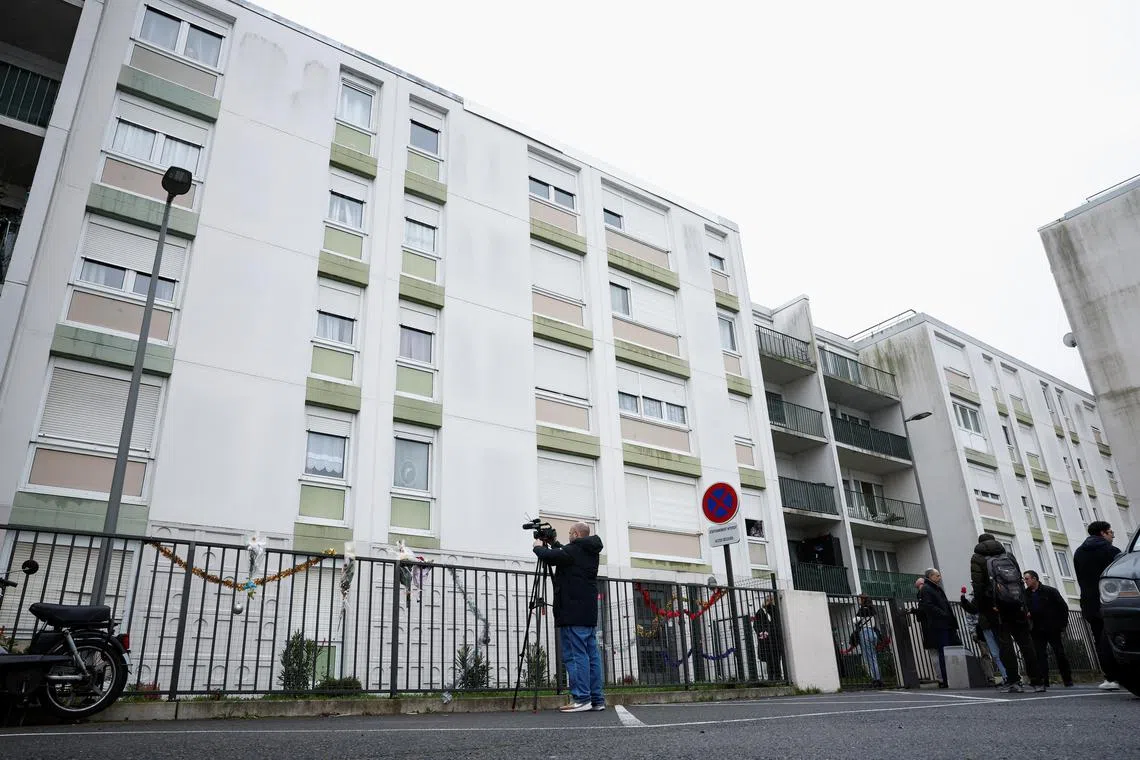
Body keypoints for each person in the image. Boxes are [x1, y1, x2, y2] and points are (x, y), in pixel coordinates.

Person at [533, 521, 605, 712]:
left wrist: (538, 548)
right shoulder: (589, 551)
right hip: (587, 613)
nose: (569, 535)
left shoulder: (575, 550)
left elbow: (553, 556)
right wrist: (554, 543)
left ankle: (581, 698)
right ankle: (596, 699)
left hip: (572, 611)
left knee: (575, 655)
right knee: (591, 656)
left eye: (570, 533)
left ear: (576, 534)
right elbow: (564, 554)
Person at [970, 533, 1041, 693]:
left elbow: (978, 586)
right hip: (1016, 605)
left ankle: (1014, 681)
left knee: (1005, 645)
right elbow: (1019, 580)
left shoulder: (978, 558)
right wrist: (1023, 603)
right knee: (1026, 643)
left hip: (996, 608)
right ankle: (1037, 681)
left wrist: (983, 608)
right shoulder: (1008, 555)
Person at [1073, 520, 1122, 691]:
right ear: (1102, 533)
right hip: (1112, 601)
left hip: (1090, 603)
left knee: (1099, 640)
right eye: (1110, 532)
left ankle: (1110, 677)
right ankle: (1126, 674)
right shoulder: (1112, 551)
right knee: (1120, 637)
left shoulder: (1079, 553)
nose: (1113, 535)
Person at [1023, 570, 1073, 689]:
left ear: (1035, 578)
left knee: (1059, 653)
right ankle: (1044, 680)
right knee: (1040, 655)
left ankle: (1067, 679)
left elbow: (1063, 607)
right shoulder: (1025, 594)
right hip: (1036, 628)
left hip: (1052, 627)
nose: (1025, 581)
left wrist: (1062, 625)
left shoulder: (1049, 591)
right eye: (1024, 579)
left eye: (1027, 578)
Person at [960, 588, 1008, 685]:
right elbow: (970, 615)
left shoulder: (991, 593)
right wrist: (973, 632)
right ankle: (992, 677)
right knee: (988, 654)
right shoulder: (972, 598)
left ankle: (1006, 675)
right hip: (981, 628)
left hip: (991, 626)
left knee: (999, 652)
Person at [918, 569, 955, 688]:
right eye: (937, 575)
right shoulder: (927, 589)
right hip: (939, 625)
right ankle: (945, 679)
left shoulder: (935, 588)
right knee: (943, 651)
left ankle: (950, 677)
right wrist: (943, 614)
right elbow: (929, 606)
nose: (940, 578)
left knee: (948, 651)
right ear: (931, 576)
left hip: (945, 624)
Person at [840, 594, 883, 688]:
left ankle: (876, 680)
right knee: (873, 657)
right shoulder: (872, 609)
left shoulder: (863, 609)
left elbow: (855, 620)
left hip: (865, 633)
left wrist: (852, 620)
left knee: (869, 658)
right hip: (873, 633)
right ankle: (878, 679)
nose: (858, 600)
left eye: (859, 599)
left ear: (862, 600)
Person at [752, 595, 784, 681]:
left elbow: (756, 625)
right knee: (775, 660)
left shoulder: (765, 611)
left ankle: (773, 678)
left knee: (771, 660)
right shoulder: (767, 611)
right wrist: (762, 632)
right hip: (773, 640)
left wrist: (761, 632)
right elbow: (757, 625)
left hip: (769, 640)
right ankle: (777, 678)